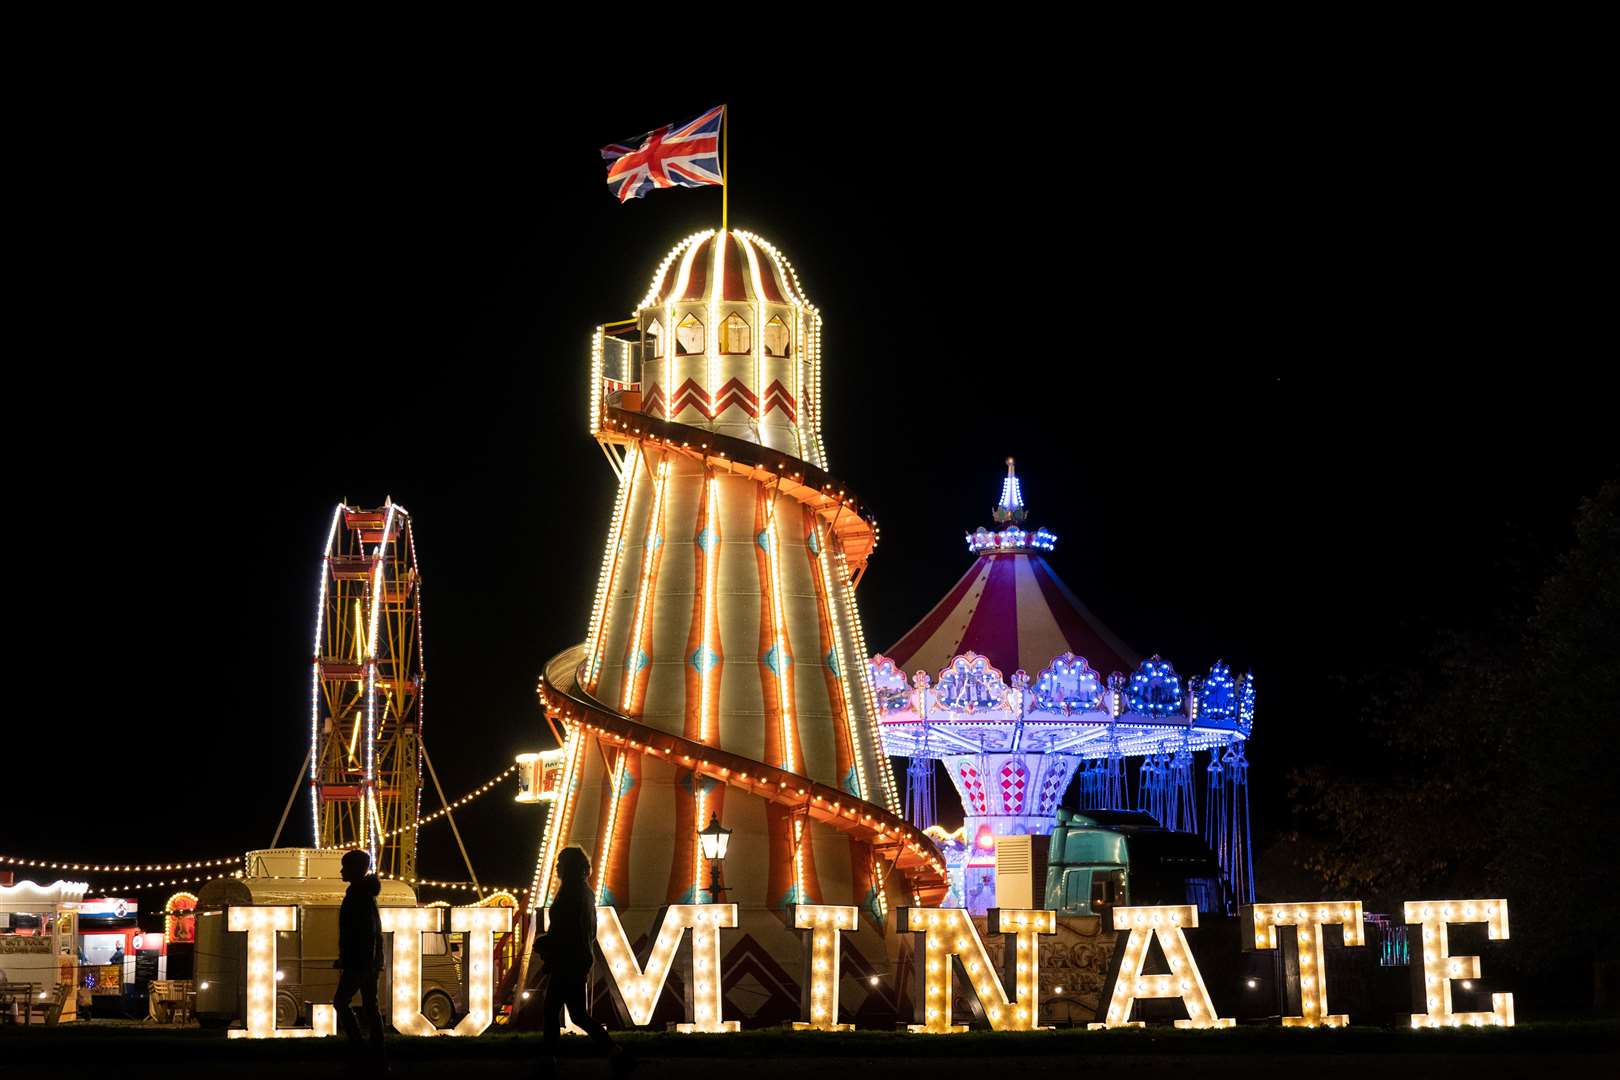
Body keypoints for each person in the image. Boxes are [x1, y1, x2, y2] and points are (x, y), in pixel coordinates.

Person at [535, 847, 631, 1076]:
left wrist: (546, 942)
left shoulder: (571, 893)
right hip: (577, 960)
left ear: (569, 866)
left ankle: (549, 1061)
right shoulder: (584, 892)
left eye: (561, 863)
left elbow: (567, 929)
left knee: (552, 1011)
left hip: (567, 961)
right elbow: (584, 930)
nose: (557, 867)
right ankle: (615, 1053)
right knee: (576, 1014)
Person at [332, 849, 385, 1071]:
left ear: (356, 869)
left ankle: (359, 1046)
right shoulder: (366, 894)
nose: (342, 870)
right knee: (371, 1006)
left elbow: (358, 931)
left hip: (360, 961)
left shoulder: (357, 895)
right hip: (370, 961)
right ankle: (377, 1050)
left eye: (345, 866)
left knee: (341, 1001)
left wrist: (349, 958)